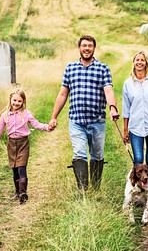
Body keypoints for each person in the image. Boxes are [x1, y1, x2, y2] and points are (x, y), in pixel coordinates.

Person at [49, 35, 119, 192]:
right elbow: (62, 94)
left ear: (94, 49)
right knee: (79, 153)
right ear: (79, 48)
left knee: (97, 155)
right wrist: (53, 117)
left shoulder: (103, 68)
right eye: (84, 46)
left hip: (97, 121)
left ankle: (95, 188)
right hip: (76, 121)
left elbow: (108, 90)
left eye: (90, 46)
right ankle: (83, 190)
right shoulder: (70, 68)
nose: (87, 48)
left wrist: (112, 107)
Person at [0, 88, 54, 204]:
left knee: (21, 168)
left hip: (23, 143)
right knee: (14, 170)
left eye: (19, 101)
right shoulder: (5, 115)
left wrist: (47, 127)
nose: (16, 103)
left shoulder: (26, 114)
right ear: (10, 100)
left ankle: (23, 193)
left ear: (23, 102)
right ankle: (17, 192)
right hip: (11, 144)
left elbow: (36, 124)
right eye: (14, 100)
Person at [122, 50, 148, 186]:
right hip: (135, 128)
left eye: (142, 60)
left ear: (146, 63)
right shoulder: (128, 84)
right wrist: (125, 130)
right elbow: (126, 109)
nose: (139, 62)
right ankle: (138, 189)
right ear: (133, 63)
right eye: (137, 60)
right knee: (138, 160)